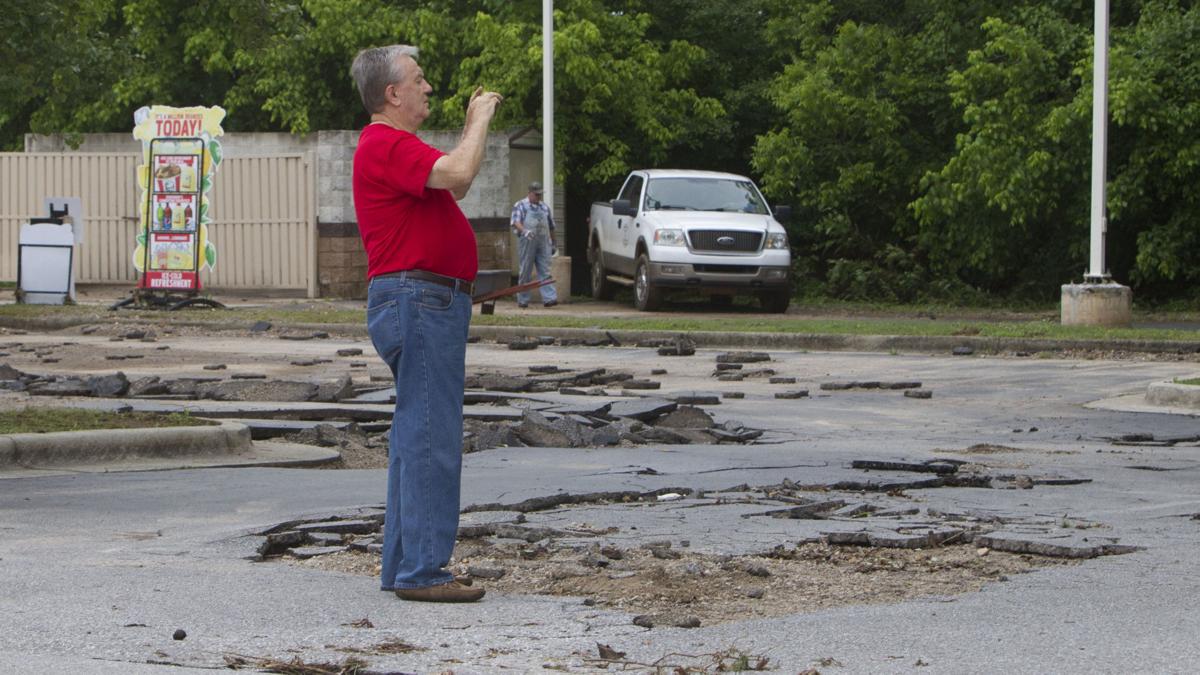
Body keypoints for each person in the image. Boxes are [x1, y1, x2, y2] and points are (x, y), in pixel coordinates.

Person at [350, 44, 502, 603]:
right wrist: (480, 118)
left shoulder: (395, 146)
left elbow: (455, 183)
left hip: (419, 299)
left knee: (417, 432)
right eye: (419, 79)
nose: (428, 87)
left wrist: (469, 128)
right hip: (420, 300)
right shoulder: (386, 141)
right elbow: (461, 170)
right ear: (392, 93)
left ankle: (405, 566)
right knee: (432, 434)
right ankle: (424, 571)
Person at [511, 181, 558, 308]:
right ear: (529, 193)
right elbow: (515, 222)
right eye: (536, 195)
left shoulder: (544, 207)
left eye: (540, 195)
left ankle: (549, 298)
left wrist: (554, 243)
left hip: (543, 243)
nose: (538, 197)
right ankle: (523, 300)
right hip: (527, 241)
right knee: (526, 270)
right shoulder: (520, 205)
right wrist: (524, 231)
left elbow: (552, 227)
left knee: (545, 269)